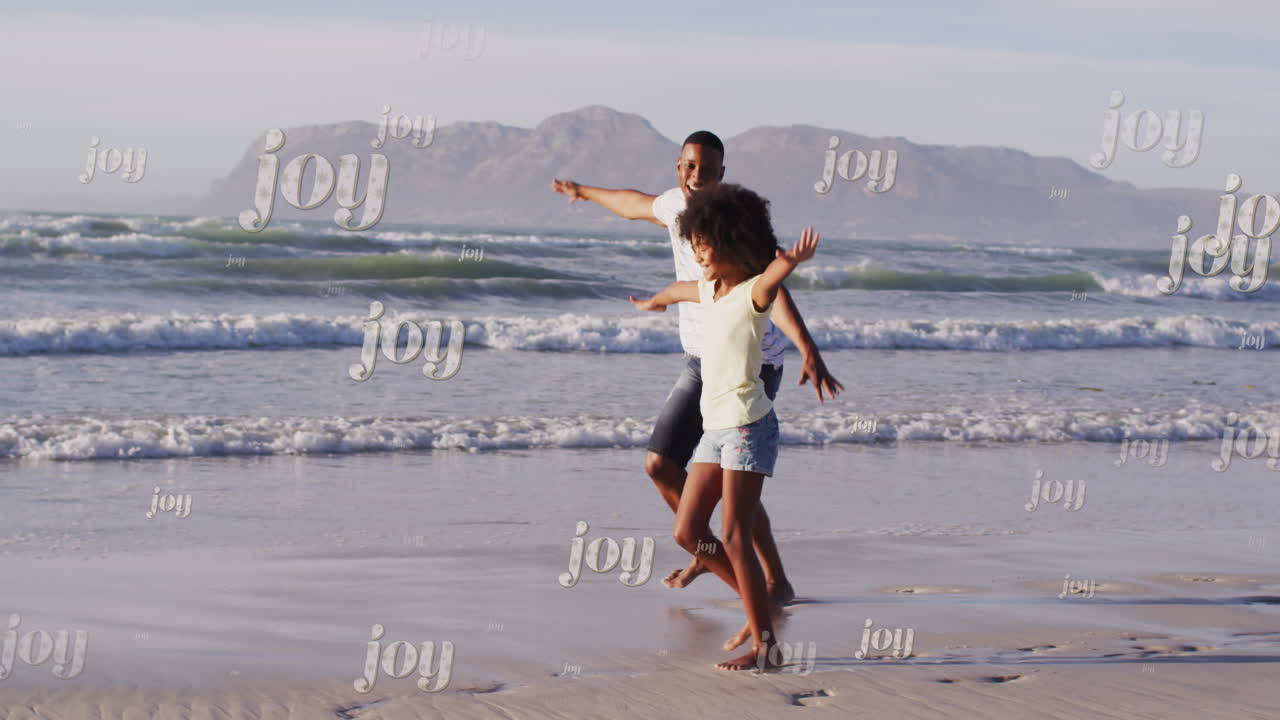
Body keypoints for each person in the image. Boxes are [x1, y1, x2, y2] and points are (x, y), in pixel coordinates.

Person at [550, 131, 842, 650]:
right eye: (687, 166)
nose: (694, 176)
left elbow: (772, 287)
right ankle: (716, 554)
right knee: (661, 466)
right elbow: (630, 203)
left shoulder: (732, 222)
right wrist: (582, 192)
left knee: (739, 483)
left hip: (753, 364)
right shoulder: (673, 208)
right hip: (700, 362)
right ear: (678, 167)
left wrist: (807, 348)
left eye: (705, 169)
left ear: (720, 174)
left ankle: (767, 584)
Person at [630, 183, 819, 671]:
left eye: (706, 246)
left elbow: (773, 278)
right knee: (688, 531)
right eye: (695, 246)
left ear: (734, 242)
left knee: (734, 534)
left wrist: (790, 259)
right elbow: (678, 290)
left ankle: (766, 645)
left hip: (747, 429)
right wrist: (655, 302)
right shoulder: (709, 290)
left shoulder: (751, 293)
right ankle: (758, 608)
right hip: (716, 430)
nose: (699, 254)